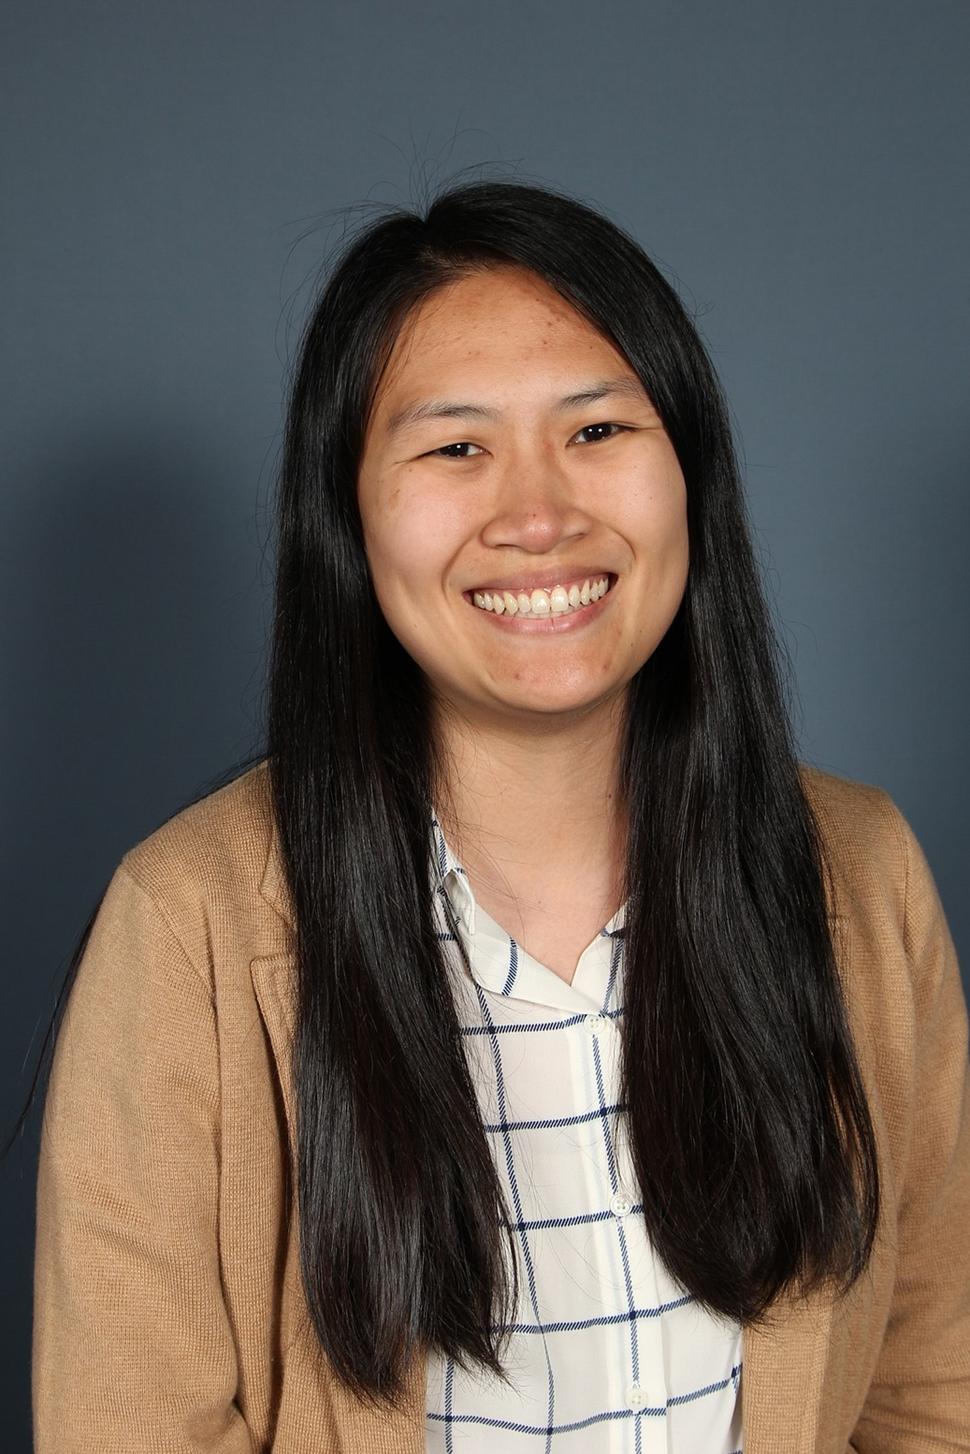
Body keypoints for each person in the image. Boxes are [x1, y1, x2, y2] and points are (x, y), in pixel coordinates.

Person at [28, 178, 970, 1452]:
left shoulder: (859, 870)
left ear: (690, 471)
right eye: (455, 448)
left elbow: (934, 1386)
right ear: (349, 513)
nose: (538, 516)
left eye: (597, 429)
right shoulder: (188, 926)